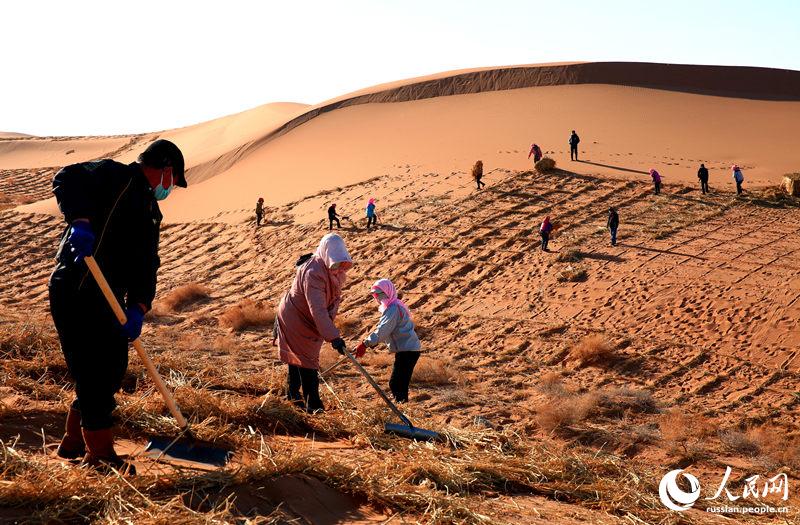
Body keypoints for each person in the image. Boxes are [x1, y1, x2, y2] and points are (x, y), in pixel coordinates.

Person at [49, 139, 186, 475]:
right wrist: (79, 221)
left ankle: (72, 441)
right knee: (94, 371)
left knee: (110, 368)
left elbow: (146, 263)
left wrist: (139, 305)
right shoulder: (112, 175)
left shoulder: (151, 211)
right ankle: (100, 456)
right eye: (173, 180)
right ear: (166, 169)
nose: (170, 188)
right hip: (77, 288)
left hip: (111, 298)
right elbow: (65, 177)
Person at [275, 233, 352, 413]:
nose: (339, 267)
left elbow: (332, 302)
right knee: (307, 361)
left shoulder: (336, 273)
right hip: (295, 318)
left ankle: (293, 396)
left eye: (342, 263)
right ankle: (313, 405)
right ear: (325, 255)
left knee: (300, 359)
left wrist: (329, 329)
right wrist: (334, 337)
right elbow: (317, 309)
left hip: (310, 320)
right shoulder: (313, 273)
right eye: (336, 263)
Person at [354, 279, 421, 403]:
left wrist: (365, 344)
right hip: (407, 350)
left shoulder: (393, 308)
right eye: (375, 295)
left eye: (380, 294)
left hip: (408, 350)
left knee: (396, 383)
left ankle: (402, 412)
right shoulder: (393, 306)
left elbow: (383, 330)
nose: (378, 298)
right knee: (399, 384)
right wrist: (368, 344)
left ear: (388, 292)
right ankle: (402, 409)